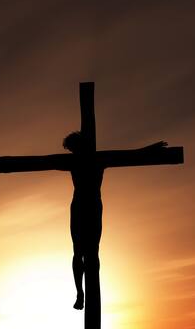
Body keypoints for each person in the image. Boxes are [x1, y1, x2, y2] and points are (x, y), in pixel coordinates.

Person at [62, 132, 166, 310]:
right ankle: (80, 292)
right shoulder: (76, 161)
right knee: (79, 252)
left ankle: (87, 291)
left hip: (91, 206)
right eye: (72, 150)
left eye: (74, 148)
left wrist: (150, 149)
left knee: (91, 251)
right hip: (81, 206)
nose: (73, 152)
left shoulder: (97, 159)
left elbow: (130, 155)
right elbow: (41, 161)